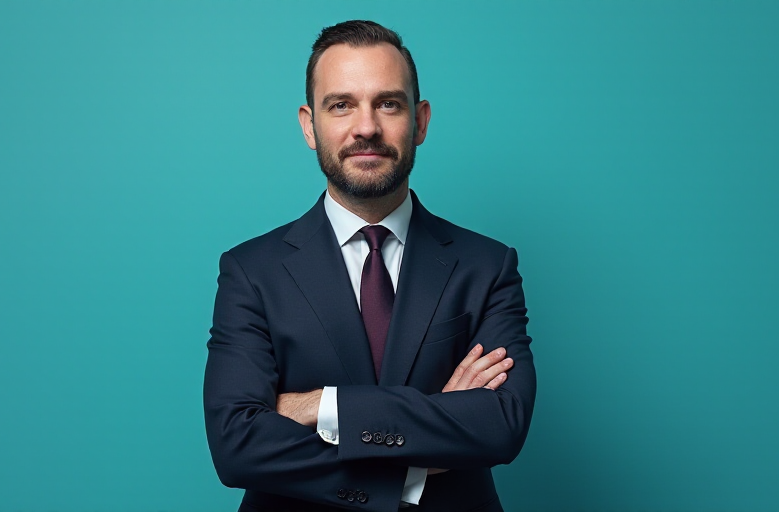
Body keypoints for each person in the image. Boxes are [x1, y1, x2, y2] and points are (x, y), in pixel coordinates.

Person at [204, 20, 535, 512]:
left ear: (420, 121)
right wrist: (414, 464)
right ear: (308, 124)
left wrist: (320, 406)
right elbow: (237, 448)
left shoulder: (486, 265)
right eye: (341, 105)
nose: (366, 128)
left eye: (388, 103)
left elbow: (500, 425)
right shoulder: (251, 271)